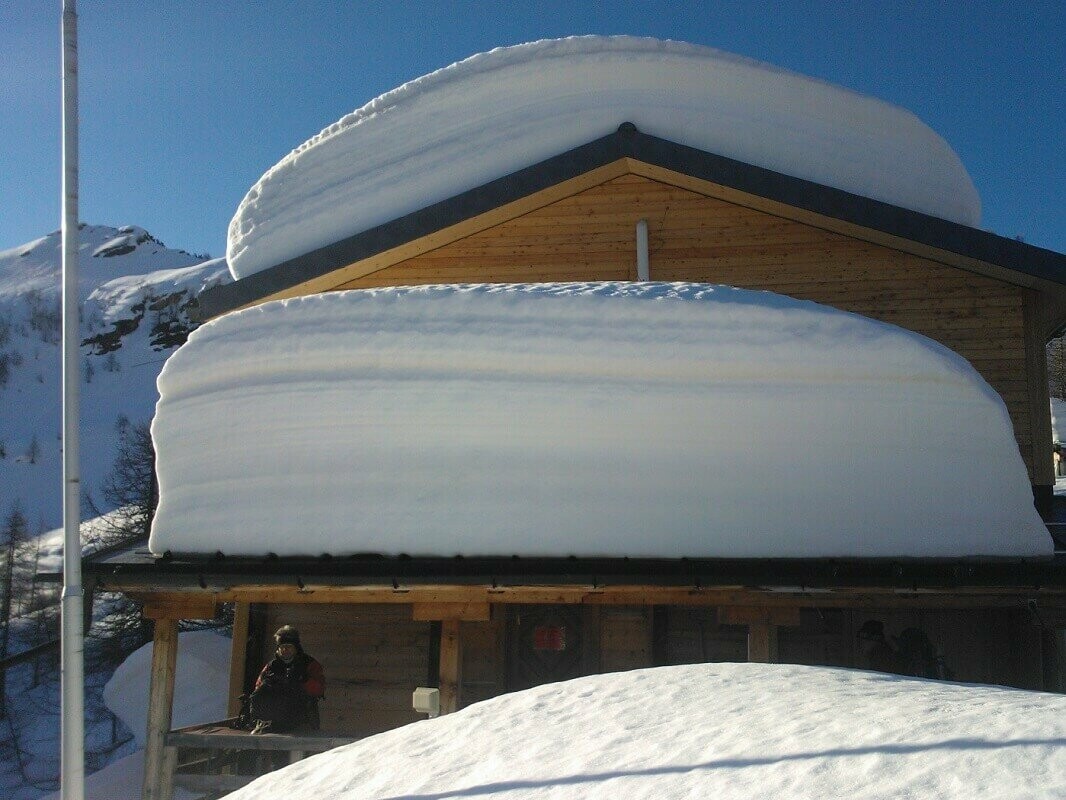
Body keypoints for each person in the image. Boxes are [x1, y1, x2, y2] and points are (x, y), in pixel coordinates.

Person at [248, 625, 325, 733]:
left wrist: (303, 680)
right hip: (273, 722)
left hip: (303, 721)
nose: (285, 650)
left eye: (289, 646)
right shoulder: (271, 667)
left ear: (296, 647)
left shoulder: (309, 664)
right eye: (282, 646)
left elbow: (319, 689)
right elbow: (258, 689)